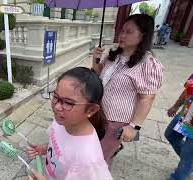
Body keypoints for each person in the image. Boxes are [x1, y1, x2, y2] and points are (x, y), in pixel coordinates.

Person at [92, 14, 164, 165]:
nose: (122, 35)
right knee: (90, 149)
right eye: (122, 30)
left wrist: (133, 127)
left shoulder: (147, 64)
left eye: (129, 32)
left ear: (143, 36)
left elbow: (147, 98)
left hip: (115, 121)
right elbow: (98, 76)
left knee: (98, 159)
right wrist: (96, 59)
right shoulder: (114, 55)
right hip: (97, 113)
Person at [27, 67, 112, 180]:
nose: (57, 107)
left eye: (68, 103)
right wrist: (45, 148)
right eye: (56, 97)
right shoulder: (63, 121)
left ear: (91, 110)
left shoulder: (88, 160)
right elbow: (59, 144)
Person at [164, 73, 193, 180]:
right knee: (171, 135)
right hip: (186, 114)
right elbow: (188, 88)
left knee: (188, 155)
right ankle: (188, 165)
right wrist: (176, 105)